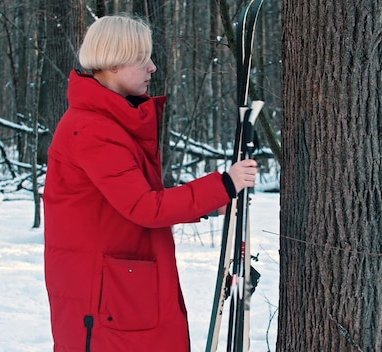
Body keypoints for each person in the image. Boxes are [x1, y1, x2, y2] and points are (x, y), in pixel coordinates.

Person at [43, 14, 257, 352]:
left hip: (117, 293)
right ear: (113, 63)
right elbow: (144, 207)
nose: (152, 67)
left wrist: (210, 203)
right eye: (142, 58)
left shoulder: (110, 121)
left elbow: (130, 202)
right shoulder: (93, 129)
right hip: (105, 303)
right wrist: (223, 185)